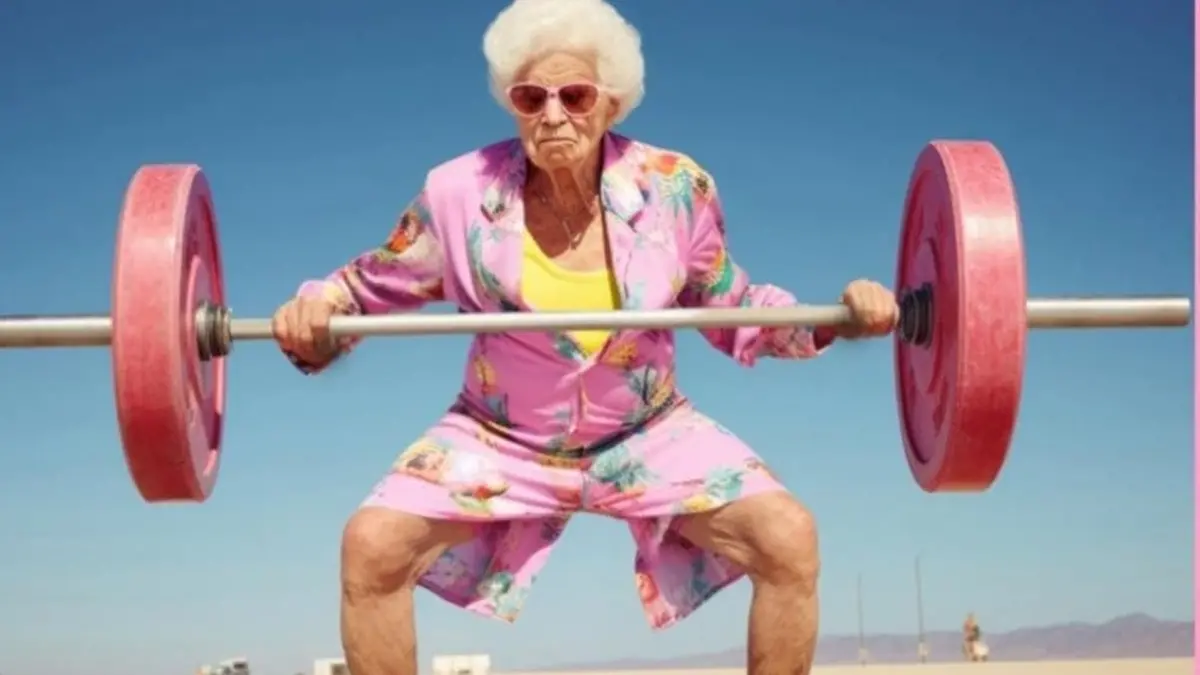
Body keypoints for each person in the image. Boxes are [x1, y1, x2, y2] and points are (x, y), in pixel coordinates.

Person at [271, 1, 898, 674]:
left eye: (574, 95)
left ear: (612, 103)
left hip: (646, 430)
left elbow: (733, 304)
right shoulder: (457, 193)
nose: (552, 114)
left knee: (788, 537)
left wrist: (833, 319)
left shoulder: (674, 189)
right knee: (371, 545)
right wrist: (315, 315)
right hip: (499, 435)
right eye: (530, 97)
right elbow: (367, 285)